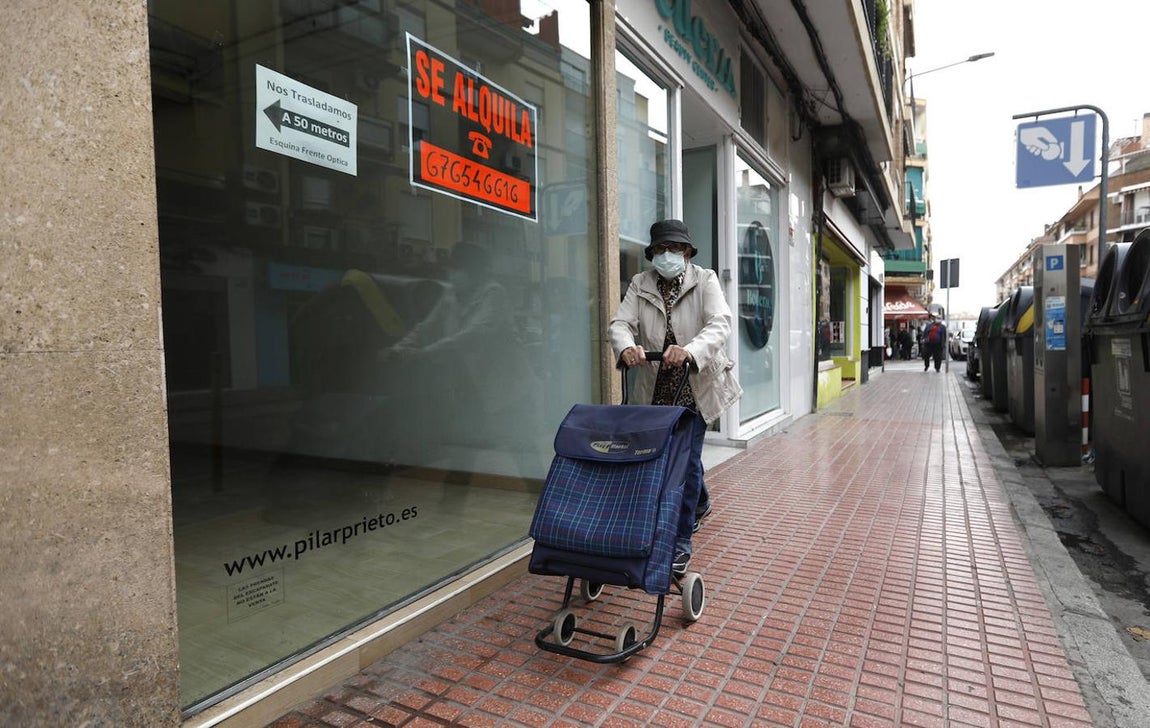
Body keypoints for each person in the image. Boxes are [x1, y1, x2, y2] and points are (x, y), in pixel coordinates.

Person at [608, 219, 743, 576]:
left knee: (683, 461)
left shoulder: (706, 280)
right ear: (652, 254)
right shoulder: (641, 284)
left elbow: (720, 323)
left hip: (694, 384)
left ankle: (680, 541)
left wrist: (689, 350)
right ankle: (701, 501)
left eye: (675, 249)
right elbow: (621, 324)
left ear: (686, 253)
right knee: (668, 458)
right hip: (654, 386)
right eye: (660, 250)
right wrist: (626, 348)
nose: (668, 256)